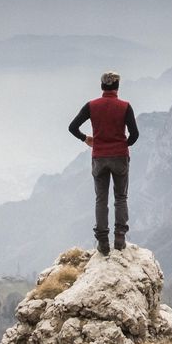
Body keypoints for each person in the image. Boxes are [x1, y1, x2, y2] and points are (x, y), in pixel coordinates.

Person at [67, 71, 140, 255]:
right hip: (120, 157)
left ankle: (102, 242)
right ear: (117, 87)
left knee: (101, 199)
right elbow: (135, 134)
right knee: (120, 198)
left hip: (99, 157)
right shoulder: (125, 107)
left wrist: (86, 139)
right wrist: (123, 144)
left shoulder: (92, 106)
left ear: (102, 87)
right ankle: (120, 237)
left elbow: (72, 127)